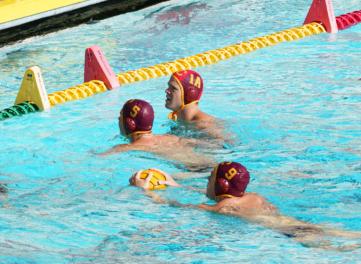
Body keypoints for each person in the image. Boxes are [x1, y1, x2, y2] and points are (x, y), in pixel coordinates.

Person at [130, 162, 361, 244]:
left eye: (209, 178)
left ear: (221, 185)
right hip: (289, 222)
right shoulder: (255, 197)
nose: (206, 182)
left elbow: (175, 206)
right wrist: (175, 184)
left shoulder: (219, 208)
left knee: (324, 244)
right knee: (330, 232)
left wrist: (148, 193)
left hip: (284, 233)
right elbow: (209, 194)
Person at [103, 98, 215, 170]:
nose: (118, 119)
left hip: (194, 171)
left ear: (129, 123)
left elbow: (98, 158)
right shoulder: (170, 138)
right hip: (210, 164)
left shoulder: (126, 147)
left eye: (120, 116)